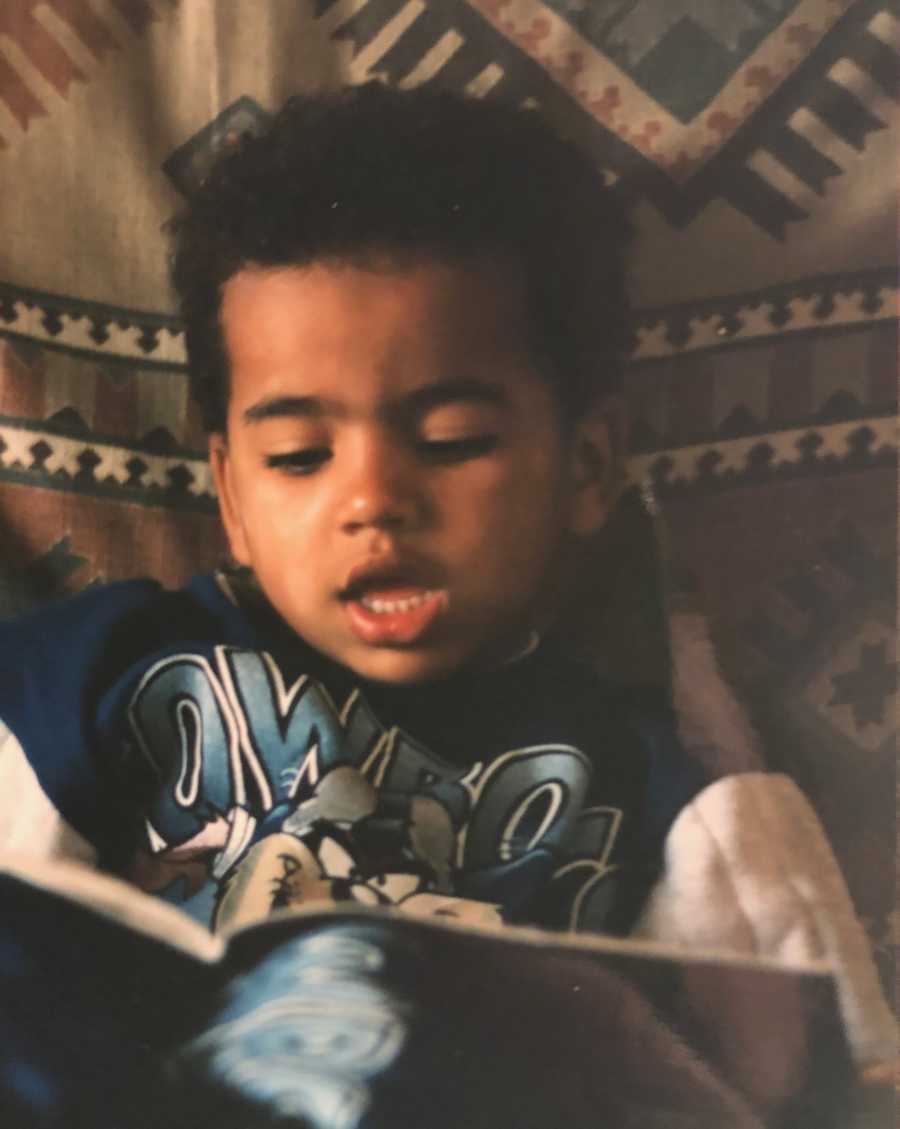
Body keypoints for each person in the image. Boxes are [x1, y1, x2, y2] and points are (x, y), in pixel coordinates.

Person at [0, 83, 893, 1076]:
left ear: (586, 468)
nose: (373, 499)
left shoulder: (639, 776)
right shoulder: (105, 670)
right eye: (299, 455)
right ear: (232, 499)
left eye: (452, 441)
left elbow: (793, 1066)